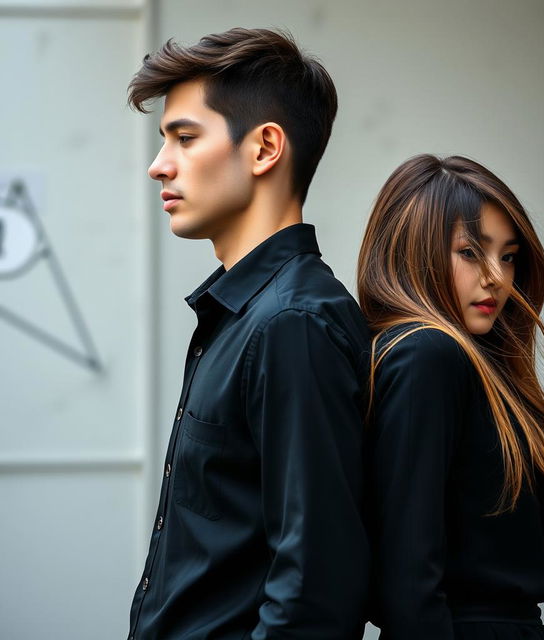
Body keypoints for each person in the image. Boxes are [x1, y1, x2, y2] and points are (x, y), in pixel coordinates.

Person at [126, 28, 369, 639]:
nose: (159, 165)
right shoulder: (245, 315)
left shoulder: (293, 325)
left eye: (184, 137)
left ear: (264, 149)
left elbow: (315, 591)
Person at [357, 154, 544, 639]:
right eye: (471, 252)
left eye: (508, 256)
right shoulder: (426, 354)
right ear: (412, 251)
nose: (497, 278)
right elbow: (409, 576)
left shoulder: (469, 361)